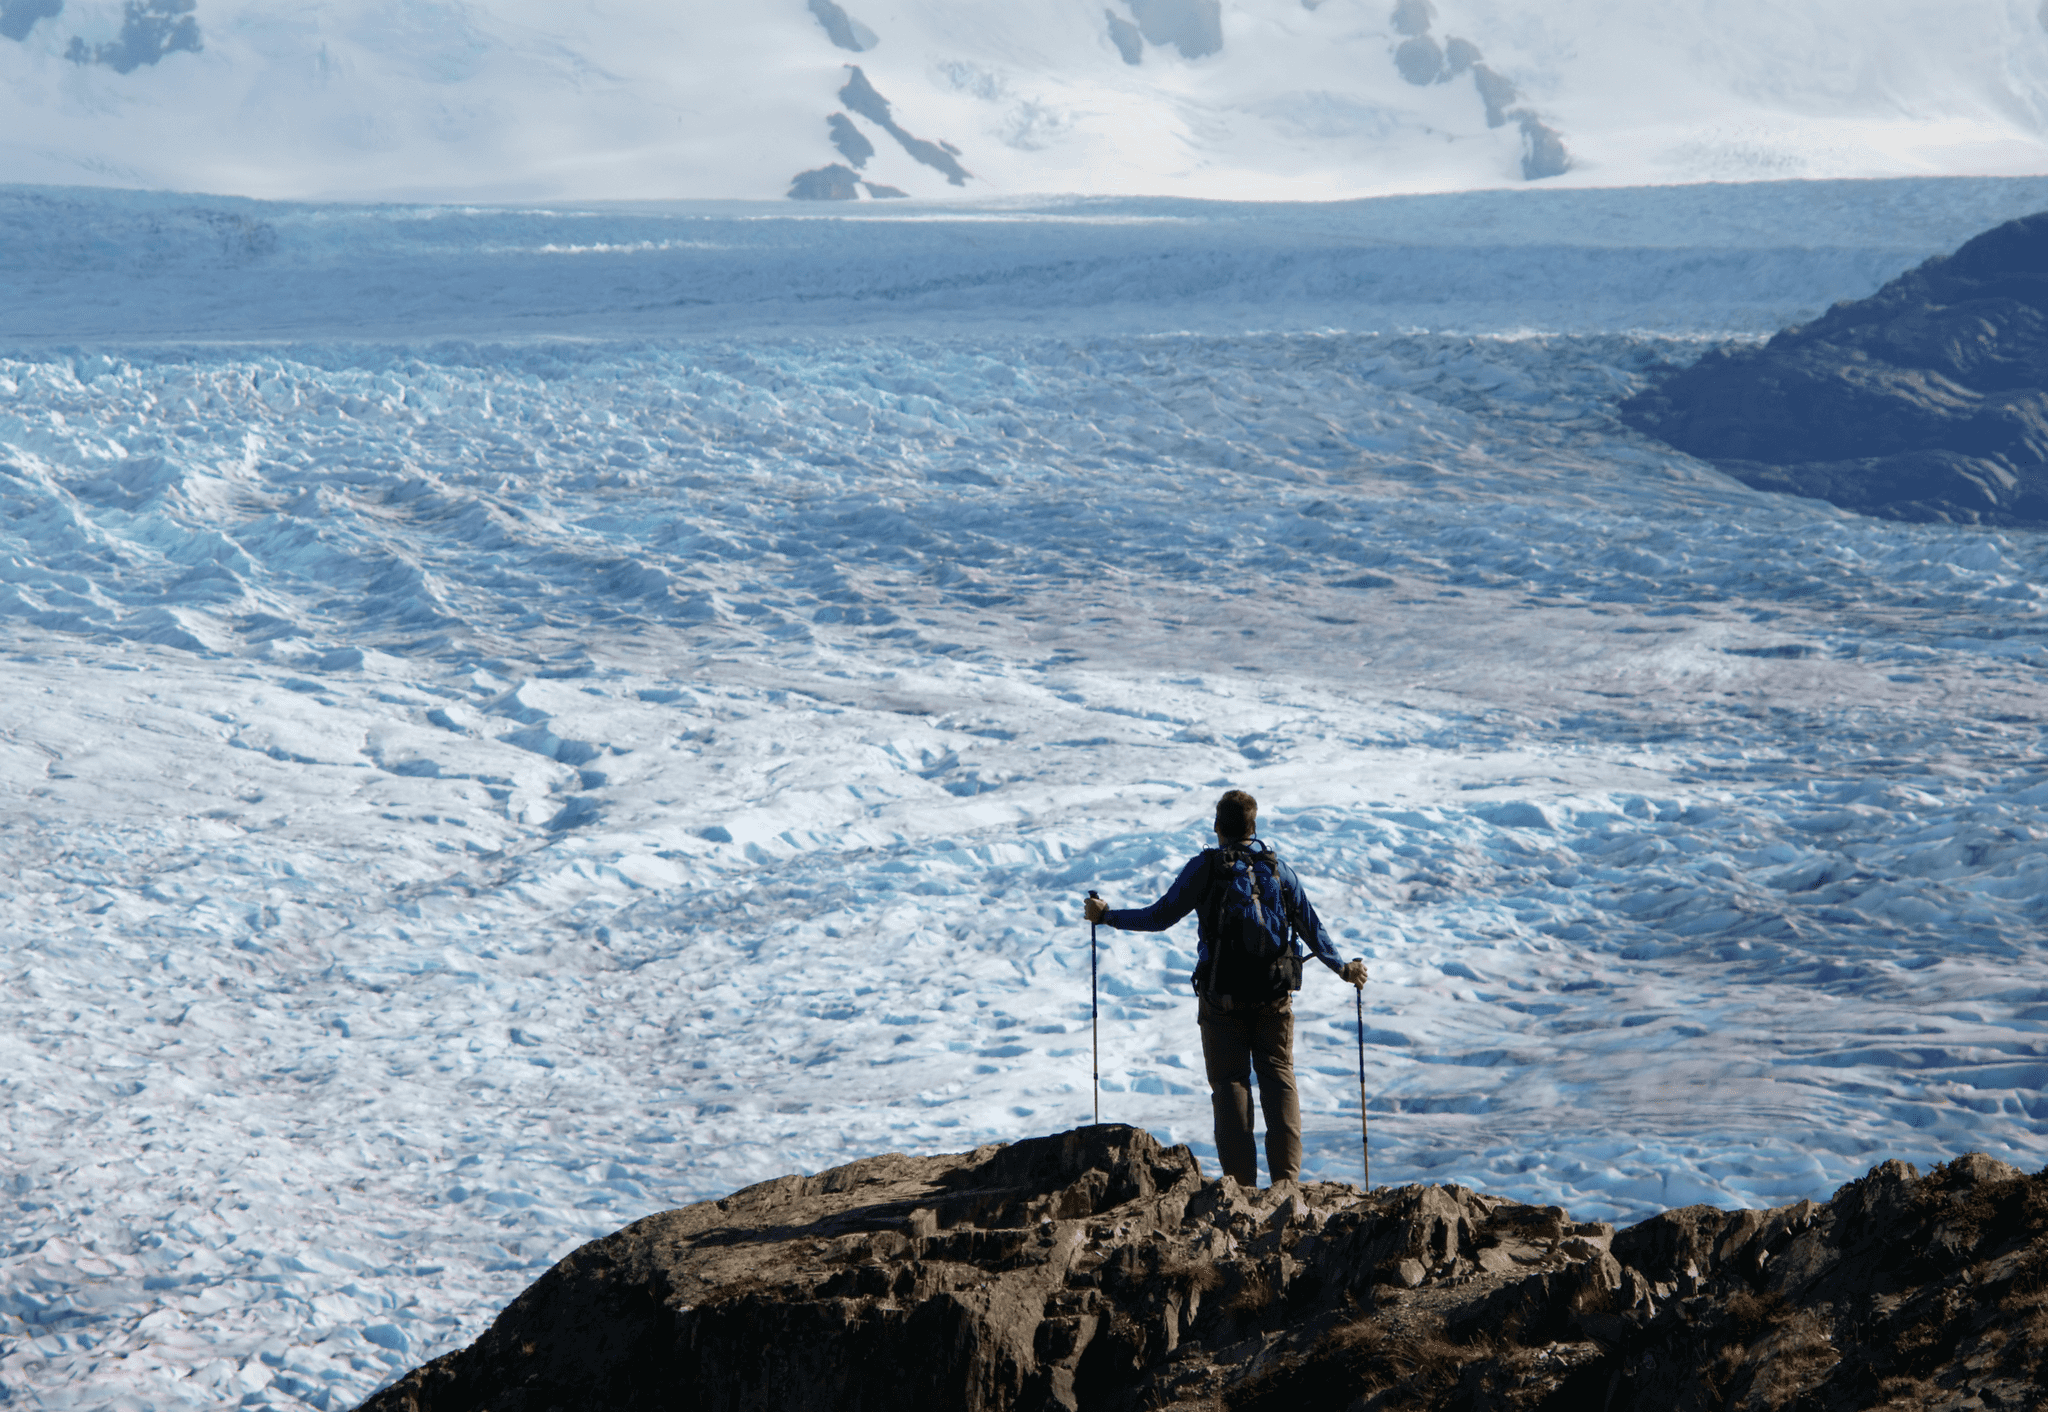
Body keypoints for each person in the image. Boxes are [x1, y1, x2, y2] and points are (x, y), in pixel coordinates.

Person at [1084, 789, 1366, 1189]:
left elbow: (1160, 916)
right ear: (1254, 826)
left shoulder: (1206, 868)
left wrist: (1108, 917)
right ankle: (1287, 1184)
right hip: (1274, 995)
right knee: (1279, 1076)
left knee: (1231, 1085)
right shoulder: (1278, 869)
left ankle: (1241, 1189)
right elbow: (1311, 928)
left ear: (1218, 828)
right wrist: (1343, 968)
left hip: (1222, 998)